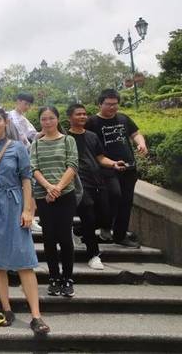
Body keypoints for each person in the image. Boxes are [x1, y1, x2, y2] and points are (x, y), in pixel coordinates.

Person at [0, 107, 49, 335]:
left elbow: (27, 179)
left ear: (5, 122)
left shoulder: (17, 148)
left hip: (14, 203)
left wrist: (28, 210)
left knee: (24, 260)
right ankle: (6, 309)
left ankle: (36, 316)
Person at [67, 104, 130, 270]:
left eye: (84, 114)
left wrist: (114, 164)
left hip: (98, 181)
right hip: (79, 184)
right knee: (88, 214)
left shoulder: (92, 136)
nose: (82, 117)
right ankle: (93, 255)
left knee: (105, 216)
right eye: (78, 114)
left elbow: (101, 158)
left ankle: (77, 231)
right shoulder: (65, 138)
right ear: (69, 118)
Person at [85, 89, 148, 248]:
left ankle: (120, 235)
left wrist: (141, 143)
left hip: (129, 168)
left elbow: (136, 134)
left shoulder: (124, 118)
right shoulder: (92, 122)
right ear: (100, 104)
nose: (112, 107)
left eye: (115, 104)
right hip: (106, 169)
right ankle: (93, 227)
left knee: (126, 202)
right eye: (108, 104)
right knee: (113, 196)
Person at [30, 106, 78, 297]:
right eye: (43, 119)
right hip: (44, 196)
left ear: (57, 120)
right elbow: (33, 167)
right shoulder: (35, 144)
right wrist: (49, 187)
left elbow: (72, 165)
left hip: (66, 195)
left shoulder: (68, 140)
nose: (47, 122)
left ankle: (68, 278)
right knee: (49, 239)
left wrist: (57, 188)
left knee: (65, 238)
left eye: (51, 118)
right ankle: (54, 278)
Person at [6, 93, 42, 233]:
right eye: (25, 103)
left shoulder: (24, 119)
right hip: (9, 154)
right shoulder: (8, 116)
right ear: (18, 101)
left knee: (30, 185)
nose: (27, 107)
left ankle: (31, 217)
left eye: (28, 104)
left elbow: (33, 135)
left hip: (25, 155)